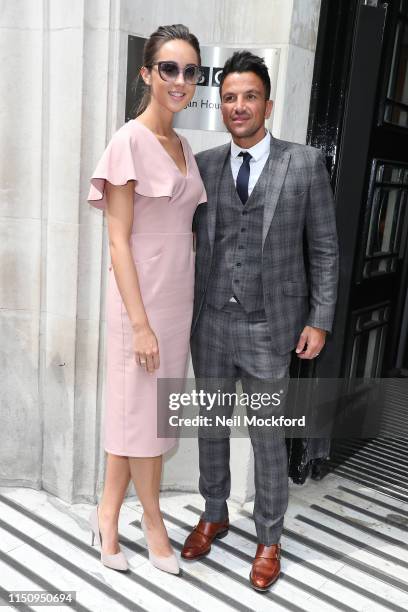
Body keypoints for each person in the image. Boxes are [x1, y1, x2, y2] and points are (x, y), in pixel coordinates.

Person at [181, 50, 339, 591]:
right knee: (211, 427)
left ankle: (269, 537)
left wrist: (319, 319)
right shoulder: (202, 167)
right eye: (229, 97)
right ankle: (214, 511)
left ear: (268, 104)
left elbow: (324, 249)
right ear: (220, 106)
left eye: (250, 96)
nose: (239, 106)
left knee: (269, 437)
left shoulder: (306, 163)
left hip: (271, 328)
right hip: (211, 327)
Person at [86, 24, 206, 575]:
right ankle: (152, 519)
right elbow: (117, 239)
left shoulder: (184, 147)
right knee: (144, 420)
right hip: (141, 306)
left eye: (190, 71)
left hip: (176, 304)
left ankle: (107, 512)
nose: (180, 80)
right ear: (147, 73)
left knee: (143, 417)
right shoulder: (127, 141)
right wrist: (139, 323)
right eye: (169, 68)